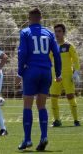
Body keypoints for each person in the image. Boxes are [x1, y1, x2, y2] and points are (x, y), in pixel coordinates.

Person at [17, 8, 61, 152]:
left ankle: (27, 139)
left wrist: (20, 72)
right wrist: (58, 73)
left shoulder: (25, 32)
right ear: (41, 18)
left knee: (28, 104)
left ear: (28, 18)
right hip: (46, 71)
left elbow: (22, 53)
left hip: (31, 71)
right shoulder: (49, 33)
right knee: (42, 105)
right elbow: (56, 53)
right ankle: (44, 136)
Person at [49, 24, 81, 127]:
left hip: (67, 75)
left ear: (63, 33)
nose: (57, 33)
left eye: (59, 31)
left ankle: (76, 120)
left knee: (70, 96)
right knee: (53, 98)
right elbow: (48, 60)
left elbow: (76, 60)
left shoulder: (69, 46)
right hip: (55, 76)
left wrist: (76, 72)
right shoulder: (52, 46)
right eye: (56, 31)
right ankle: (57, 121)